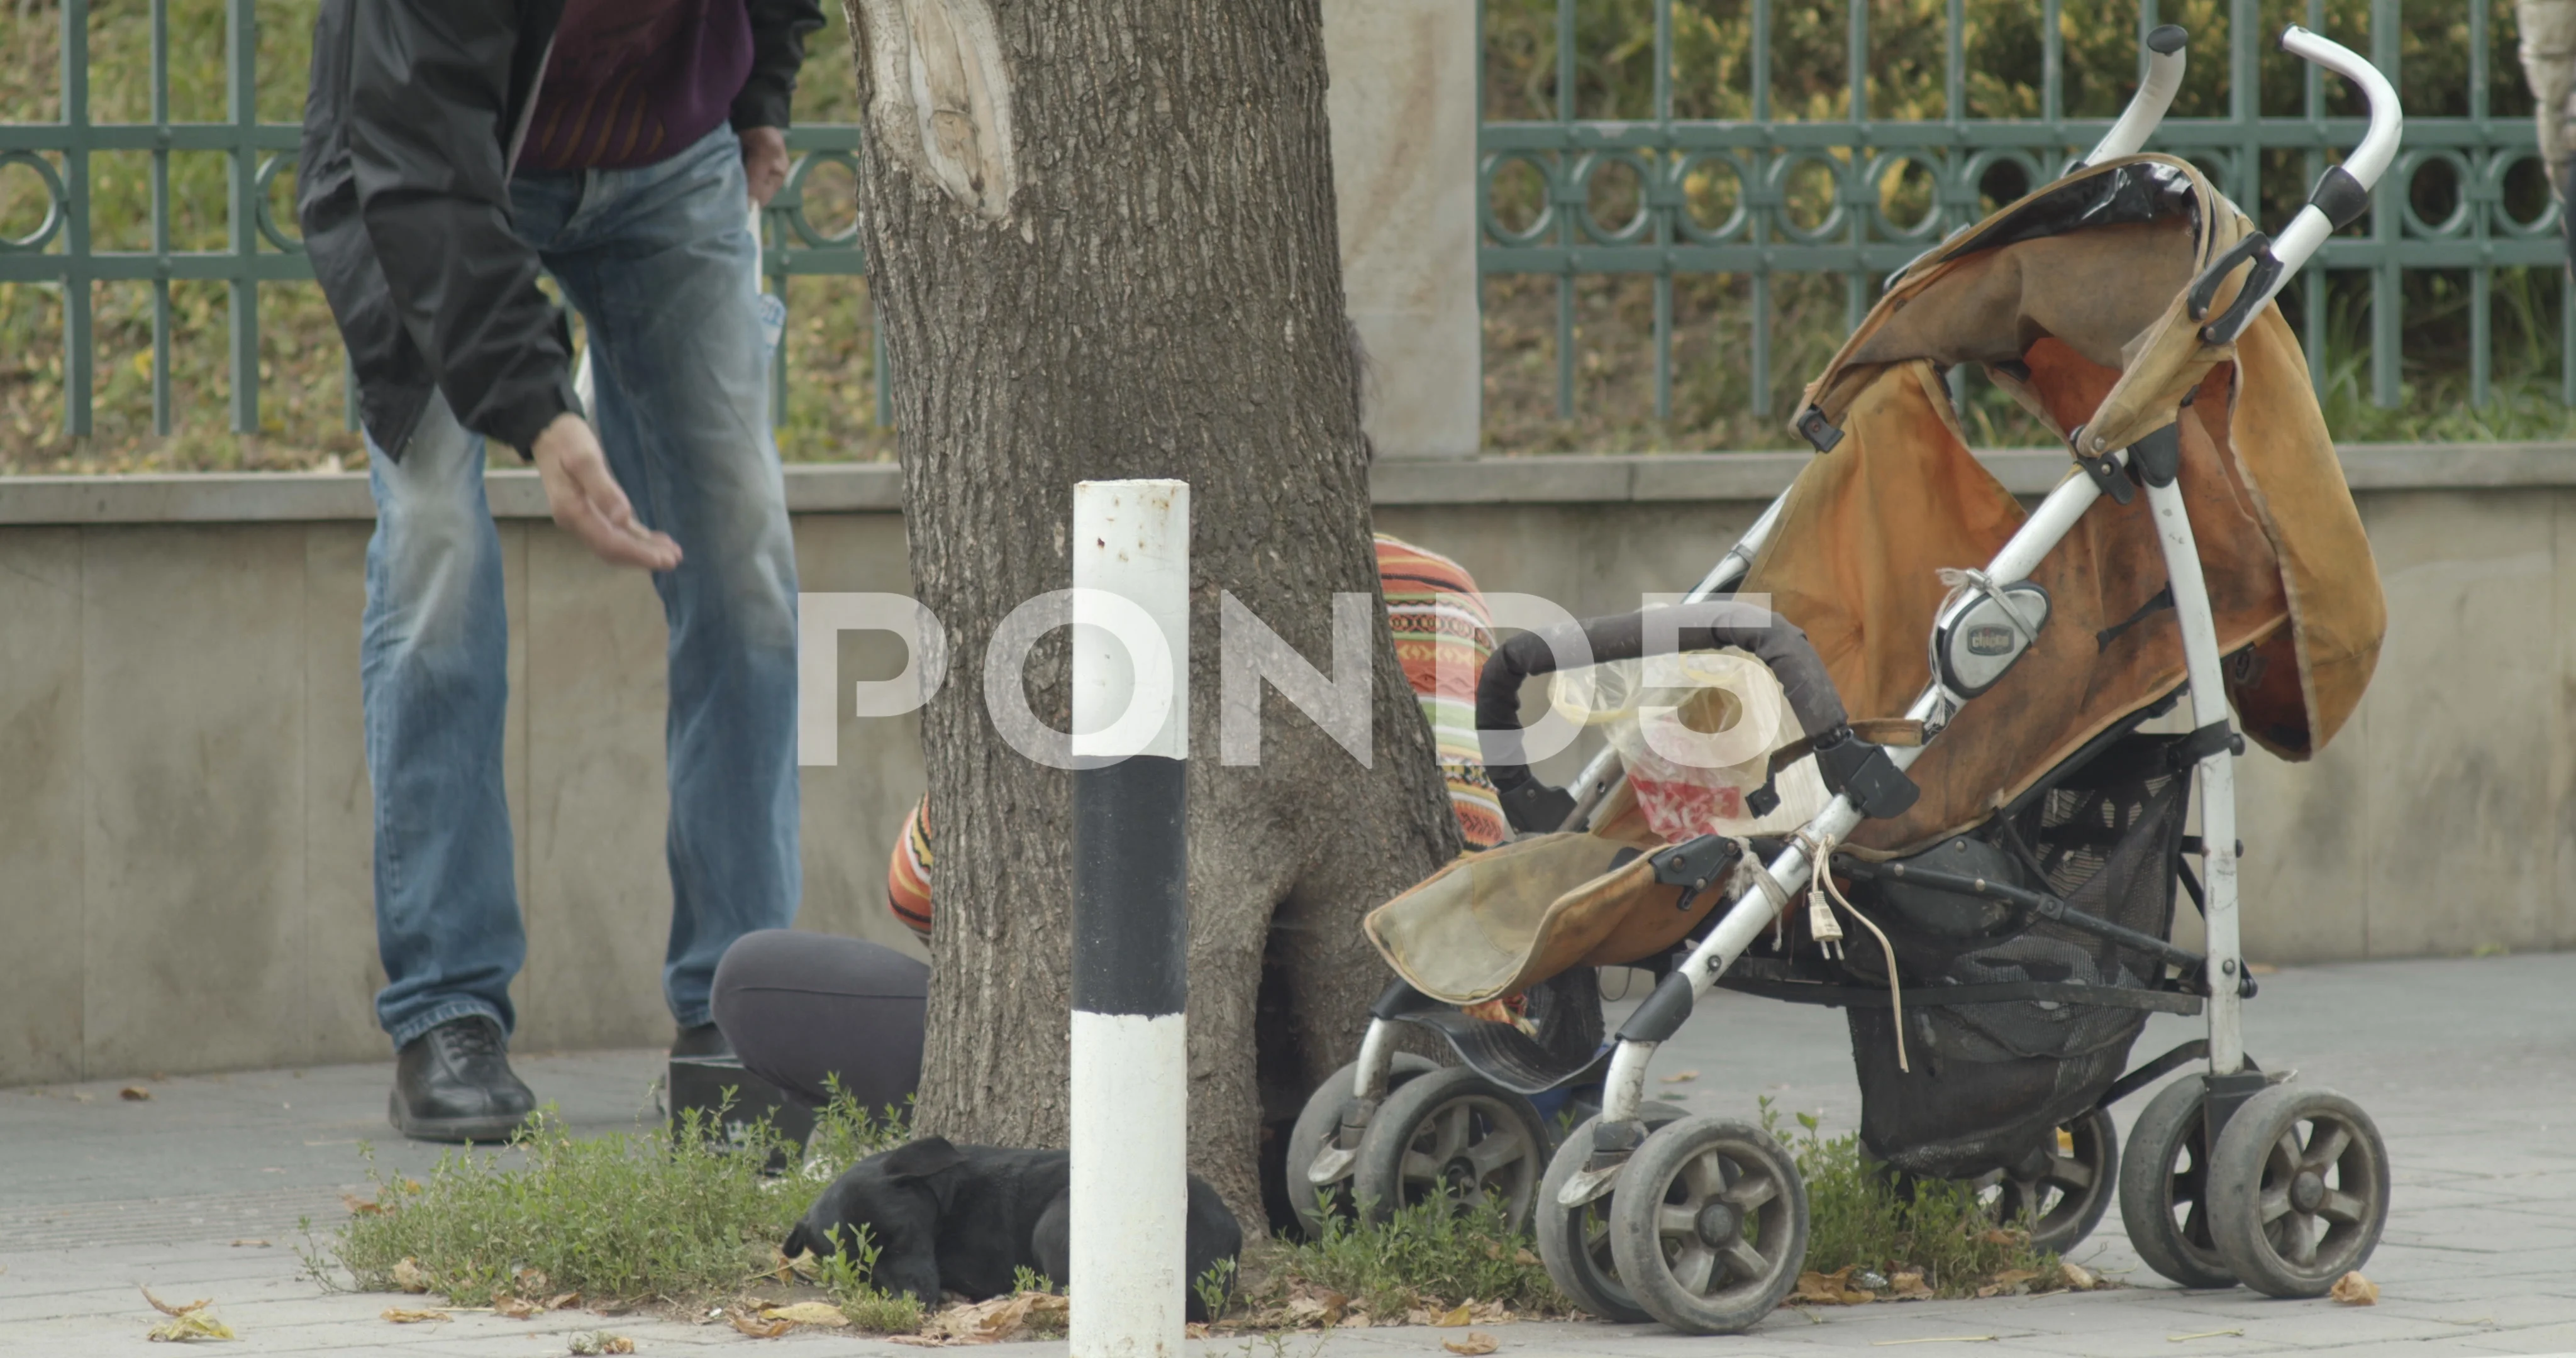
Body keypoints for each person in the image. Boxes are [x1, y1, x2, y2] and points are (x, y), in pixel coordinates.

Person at [297, 0, 825, 1142]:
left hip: (671, 164)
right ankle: (447, 1010)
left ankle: (739, 1011)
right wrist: (536, 410)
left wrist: (757, 94)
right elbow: (422, 169)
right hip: (442, 169)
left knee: (745, 572)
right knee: (438, 556)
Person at [709, 534, 1509, 1116]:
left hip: (1108, 1085)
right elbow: (1478, 850)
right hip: (1398, 1073)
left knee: (754, 978)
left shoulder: (1083, 615)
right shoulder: (1434, 589)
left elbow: (920, 890)